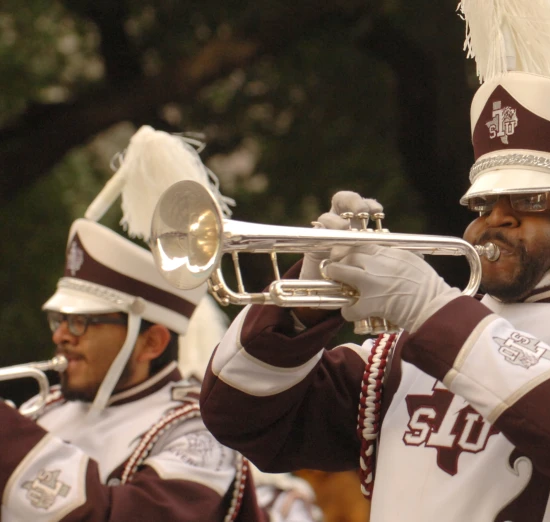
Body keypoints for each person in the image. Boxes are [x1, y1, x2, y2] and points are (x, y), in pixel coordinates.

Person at [199, 3, 550, 522]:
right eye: (484, 204)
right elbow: (242, 419)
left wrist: (432, 311)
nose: (496, 220)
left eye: (531, 202)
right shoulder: (408, 349)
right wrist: (306, 299)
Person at [0, 126, 321, 521]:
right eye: (59, 319)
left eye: (82, 323)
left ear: (151, 341)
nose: (60, 335)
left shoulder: (200, 434)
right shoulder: (41, 408)